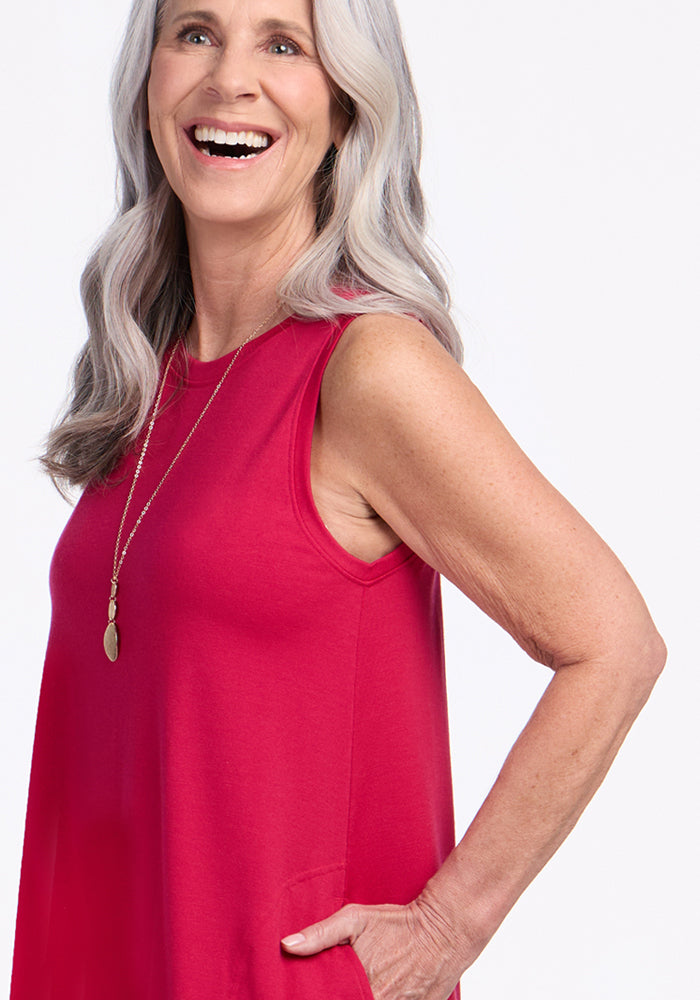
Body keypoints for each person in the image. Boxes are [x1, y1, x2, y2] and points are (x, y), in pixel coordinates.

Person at [10, 0, 666, 997]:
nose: (230, 78)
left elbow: (613, 641)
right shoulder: (145, 386)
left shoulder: (367, 369)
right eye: (194, 32)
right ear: (147, 85)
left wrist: (451, 921)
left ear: (348, 109)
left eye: (284, 44)